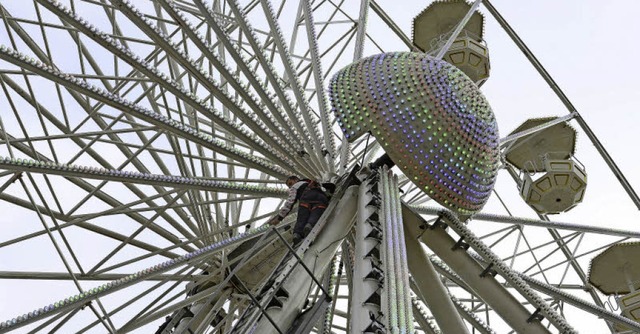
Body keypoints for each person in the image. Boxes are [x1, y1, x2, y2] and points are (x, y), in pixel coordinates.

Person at [268, 176, 335, 244]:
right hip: (320, 198)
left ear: (296, 180)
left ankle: (297, 234)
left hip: (306, 200)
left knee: (302, 217)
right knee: (317, 212)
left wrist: (280, 218)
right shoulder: (311, 182)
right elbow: (328, 188)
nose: (290, 187)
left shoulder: (295, 186)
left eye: (290, 183)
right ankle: (310, 225)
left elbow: (290, 202)